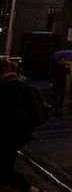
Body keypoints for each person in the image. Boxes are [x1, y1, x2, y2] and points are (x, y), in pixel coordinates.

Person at [0, 58, 40, 192]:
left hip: (11, 134)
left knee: (4, 168)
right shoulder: (11, 84)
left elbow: (11, 113)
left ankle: (30, 189)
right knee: (6, 166)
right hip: (14, 134)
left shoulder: (12, 86)